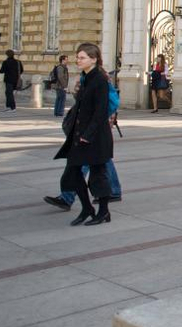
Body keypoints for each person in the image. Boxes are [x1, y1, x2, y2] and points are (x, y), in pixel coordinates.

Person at [53, 43, 114, 226]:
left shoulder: (100, 79)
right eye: (78, 57)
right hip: (80, 134)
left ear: (93, 59)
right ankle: (87, 208)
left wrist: (88, 134)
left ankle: (103, 212)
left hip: (94, 136)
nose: (78, 60)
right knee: (73, 173)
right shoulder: (86, 77)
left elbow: (100, 111)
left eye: (82, 58)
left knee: (98, 174)